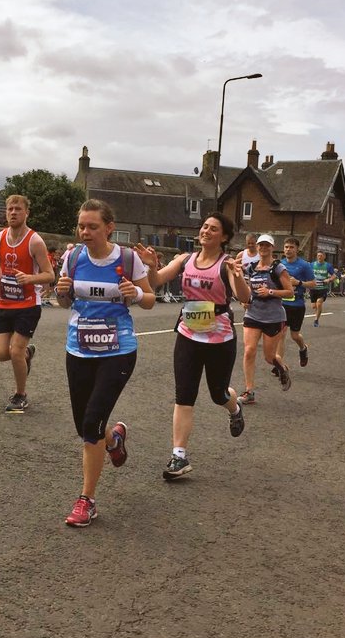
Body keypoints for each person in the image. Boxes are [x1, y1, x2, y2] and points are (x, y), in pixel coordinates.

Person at [56, 200, 154, 526]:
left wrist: (135, 294)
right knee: (86, 426)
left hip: (118, 351)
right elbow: (63, 300)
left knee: (92, 421)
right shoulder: (72, 258)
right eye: (81, 226)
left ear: (109, 227)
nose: (85, 232)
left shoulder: (128, 259)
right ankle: (114, 440)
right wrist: (61, 291)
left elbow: (150, 299)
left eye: (92, 226)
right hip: (79, 349)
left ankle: (87, 501)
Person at [138, 212, 250, 481]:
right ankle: (179, 456)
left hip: (219, 339)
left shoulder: (226, 265)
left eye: (213, 229)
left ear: (223, 237)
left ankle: (234, 409)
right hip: (188, 334)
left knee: (218, 393)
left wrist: (239, 276)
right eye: (204, 227)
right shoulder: (184, 259)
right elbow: (155, 282)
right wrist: (151, 266)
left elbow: (244, 297)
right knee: (184, 395)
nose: (206, 231)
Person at [0, 195, 55, 413]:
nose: (13, 213)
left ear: (27, 213)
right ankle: (27, 354)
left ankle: (20, 395)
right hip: (5, 302)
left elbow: (49, 274)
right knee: (0, 353)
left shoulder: (35, 241)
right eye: (10, 209)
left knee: (15, 351)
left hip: (28, 304)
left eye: (18, 209)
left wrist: (30, 279)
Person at [239, 234, 295, 406]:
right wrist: (244, 300)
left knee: (269, 357)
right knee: (249, 351)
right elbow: (247, 288)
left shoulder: (278, 268)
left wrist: (270, 292)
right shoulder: (251, 267)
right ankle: (249, 392)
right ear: (256, 247)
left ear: (272, 247)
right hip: (253, 314)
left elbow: (290, 292)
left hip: (273, 316)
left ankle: (282, 369)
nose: (263, 248)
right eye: (260, 245)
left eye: (266, 245)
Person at [277, 237, 315, 368]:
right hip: (281, 305)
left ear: (297, 249)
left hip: (297, 306)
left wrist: (298, 282)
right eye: (286, 247)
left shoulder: (304, 265)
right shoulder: (279, 264)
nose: (288, 250)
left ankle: (303, 348)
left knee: (294, 336)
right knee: (281, 334)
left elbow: (313, 284)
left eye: (291, 247)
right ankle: (279, 365)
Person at [310, 251, 334, 326]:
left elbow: (334, 276)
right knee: (314, 306)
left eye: (321, 256)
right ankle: (317, 313)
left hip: (323, 288)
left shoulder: (328, 265)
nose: (319, 257)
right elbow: (308, 273)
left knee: (319, 304)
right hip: (313, 288)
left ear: (324, 256)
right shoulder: (312, 264)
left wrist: (329, 279)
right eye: (318, 256)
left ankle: (316, 320)